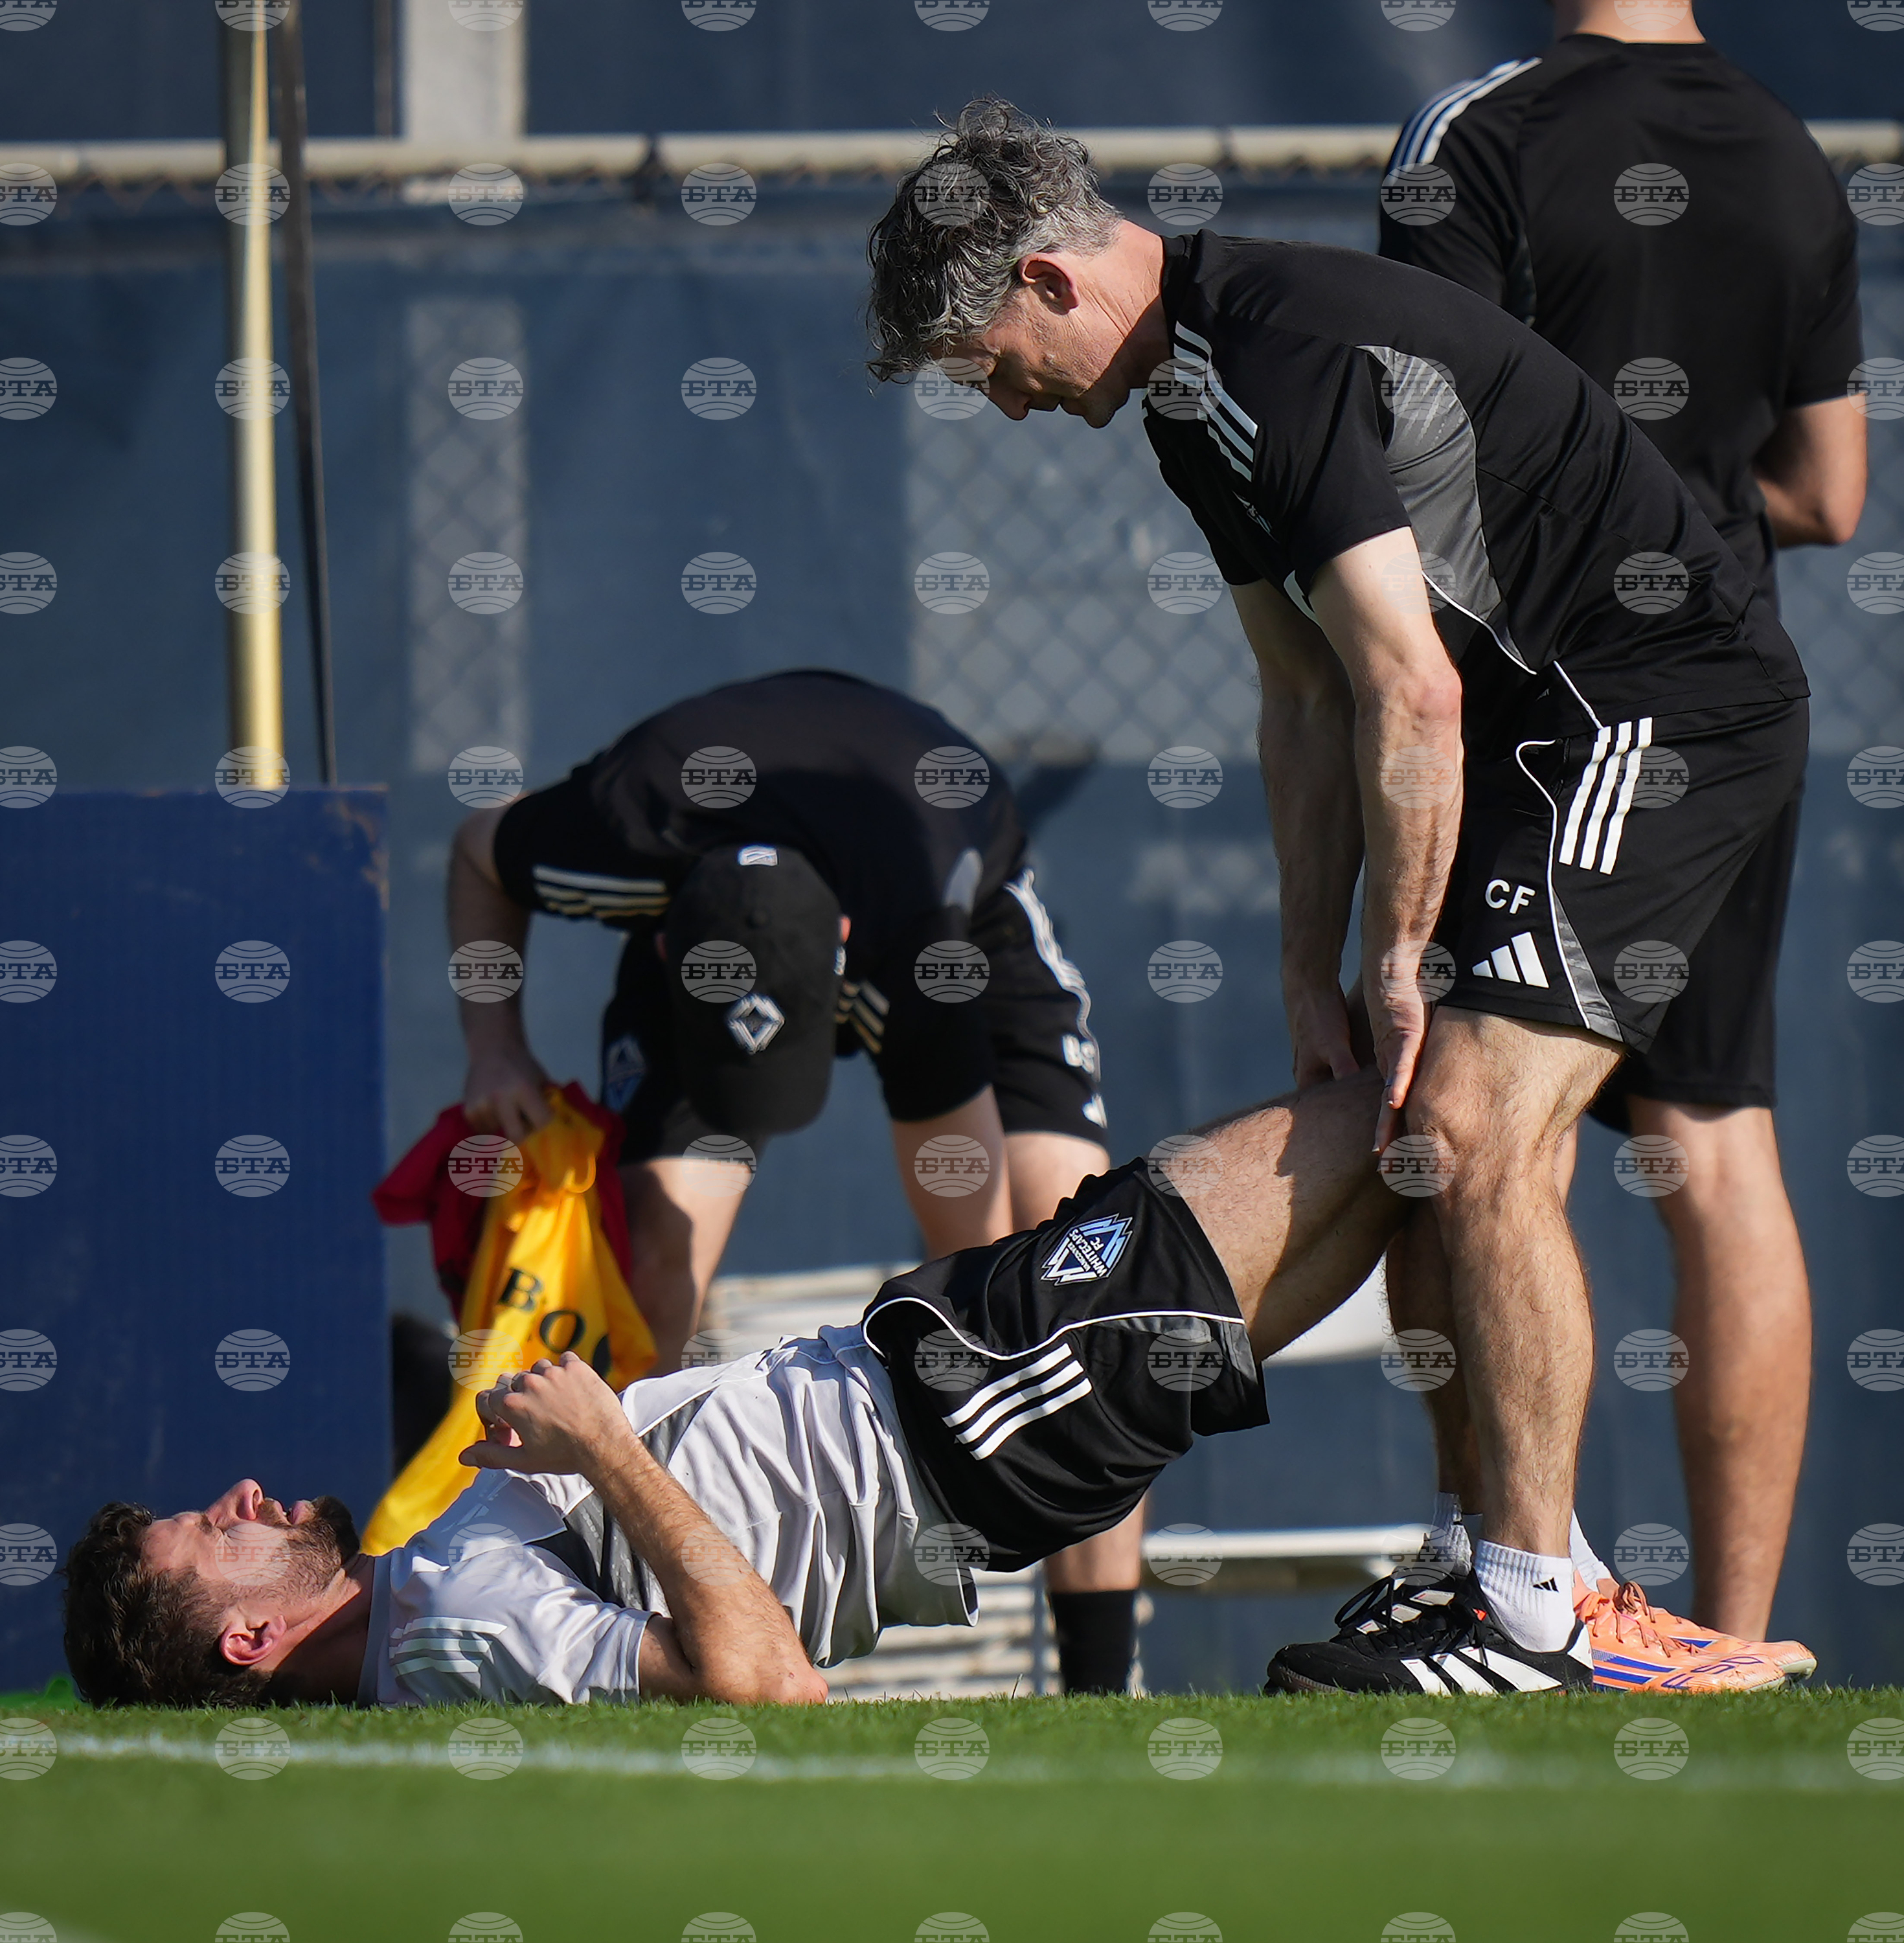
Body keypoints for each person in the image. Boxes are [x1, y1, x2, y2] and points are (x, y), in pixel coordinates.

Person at [862, 98, 1815, 1690]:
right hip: (1542, 736)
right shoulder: (1189, 398)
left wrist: (1391, 956)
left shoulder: (1274, 351)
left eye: (987, 366)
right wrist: (1316, 970)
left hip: (1659, 718)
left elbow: (1412, 691)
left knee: (1473, 1130)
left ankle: (1537, 1608)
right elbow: (1303, 699)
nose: (1009, 409)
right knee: (1418, 1129)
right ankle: (1488, 1566)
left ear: (1045, 277)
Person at [60, 1069, 1790, 1707]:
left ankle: (1503, 1578)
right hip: (957, 1427)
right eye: (199, 1546)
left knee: (1420, 1133)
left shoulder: (427, 1569)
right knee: (1419, 1108)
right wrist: (603, 1442)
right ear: (245, 1641)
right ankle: (1536, 1590)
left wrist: (583, 1438)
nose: (236, 1504)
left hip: (948, 1373)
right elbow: (762, 1687)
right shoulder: (449, 1639)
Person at [1376, 0, 1863, 1657]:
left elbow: (1411, 453)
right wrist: (1693, 490)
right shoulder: (1794, 155)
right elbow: (1833, 492)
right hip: (1735, 696)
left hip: (1553, 698)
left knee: (1481, 1131)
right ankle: (1740, 1636)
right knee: (1716, 1150)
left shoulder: (1483, 134)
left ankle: (1503, 1587)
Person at [448, 668, 1140, 1692]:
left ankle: (1101, 1678)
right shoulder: (620, 824)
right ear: (666, 932)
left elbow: (975, 1261)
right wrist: (494, 1048)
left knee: (1066, 1290)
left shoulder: (920, 951)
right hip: (717, 871)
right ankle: (622, 1625)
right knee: (654, 1265)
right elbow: (478, 850)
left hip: (954, 899)